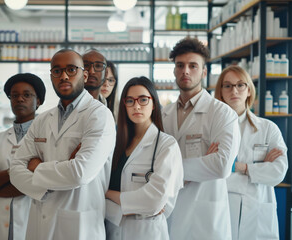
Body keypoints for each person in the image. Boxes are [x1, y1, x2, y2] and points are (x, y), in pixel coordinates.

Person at [10, 49, 116, 240]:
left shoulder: (99, 116)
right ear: (51, 76)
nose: (64, 76)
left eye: (71, 69)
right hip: (40, 223)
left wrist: (37, 167)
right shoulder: (42, 120)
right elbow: (15, 170)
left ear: (84, 75)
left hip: (79, 226)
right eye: (57, 71)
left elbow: (80, 173)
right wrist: (44, 189)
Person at [162, 37, 240, 239]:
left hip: (205, 220)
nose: (185, 71)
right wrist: (200, 163)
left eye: (193, 66)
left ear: (204, 72)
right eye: (180, 65)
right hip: (168, 212)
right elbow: (151, 162)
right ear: (174, 70)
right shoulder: (163, 115)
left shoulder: (222, 113)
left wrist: (171, 169)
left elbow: (221, 166)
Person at [214, 65, 288, 240]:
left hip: (257, 209)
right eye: (228, 85)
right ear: (221, 92)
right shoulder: (211, 129)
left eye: (240, 85)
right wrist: (257, 169)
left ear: (248, 90)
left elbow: (278, 172)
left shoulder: (268, 128)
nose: (234, 90)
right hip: (222, 206)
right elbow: (207, 169)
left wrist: (240, 167)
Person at [105, 77, 183, 240]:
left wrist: (108, 194)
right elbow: (95, 192)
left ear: (153, 103)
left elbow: (154, 201)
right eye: (130, 101)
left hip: (147, 233)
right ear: (124, 105)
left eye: (143, 100)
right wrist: (135, 205)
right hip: (111, 231)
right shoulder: (114, 143)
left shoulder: (166, 145)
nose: (137, 106)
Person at [0, 73, 46, 240]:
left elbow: (42, 186)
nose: (20, 99)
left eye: (27, 95)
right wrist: (20, 172)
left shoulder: (46, 139)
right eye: (14, 95)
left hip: (31, 222)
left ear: (39, 101)